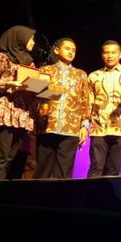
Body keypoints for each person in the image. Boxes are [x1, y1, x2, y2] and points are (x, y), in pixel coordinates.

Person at [0, 26, 37, 180]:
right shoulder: (4, 58)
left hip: (22, 113)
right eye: (31, 39)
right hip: (8, 109)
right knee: (0, 156)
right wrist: (9, 83)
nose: (33, 42)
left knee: (11, 157)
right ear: (20, 38)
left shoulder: (30, 62)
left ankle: (3, 191)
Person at [35, 38, 91, 179]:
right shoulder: (45, 70)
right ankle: (36, 198)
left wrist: (84, 125)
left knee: (64, 171)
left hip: (70, 128)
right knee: (43, 168)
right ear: (56, 50)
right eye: (67, 48)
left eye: (73, 50)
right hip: (47, 125)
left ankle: (61, 199)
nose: (71, 52)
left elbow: (86, 101)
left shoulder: (81, 74)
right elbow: (35, 96)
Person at [87, 40, 121, 177]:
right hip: (99, 127)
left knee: (114, 169)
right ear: (102, 55)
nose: (110, 56)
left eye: (113, 52)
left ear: (120, 54)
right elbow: (89, 102)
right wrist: (84, 124)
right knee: (96, 166)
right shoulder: (93, 76)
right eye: (106, 52)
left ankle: (108, 197)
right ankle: (89, 197)